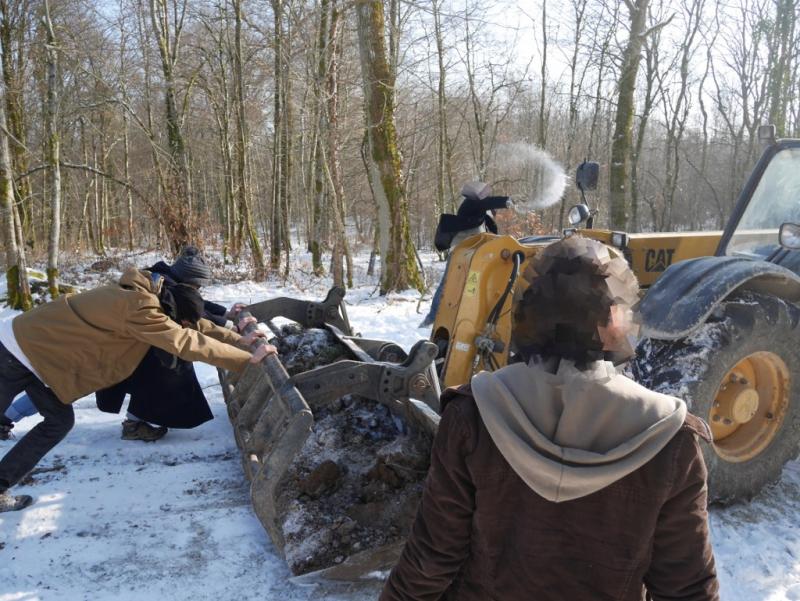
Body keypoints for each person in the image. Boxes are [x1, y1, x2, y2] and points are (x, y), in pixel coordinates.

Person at [381, 235, 720, 600]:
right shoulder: (670, 436)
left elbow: (430, 560)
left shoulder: (473, 415)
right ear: (614, 321)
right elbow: (686, 589)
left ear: (529, 314)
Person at [0, 266, 274, 512]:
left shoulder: (155, 297)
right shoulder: (139, 309)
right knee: (56, 422)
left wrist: (242, 340)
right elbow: (184, 339)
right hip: (15, 350)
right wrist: (247, 360)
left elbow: (196, 326)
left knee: (58, 422)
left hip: (42, 359)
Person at [95, 247, 247, 441]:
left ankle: (139, 420)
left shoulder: (162, 279)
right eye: (197, 287)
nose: (198, 291)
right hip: (122, 349)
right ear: (188, 281)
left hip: (124, 346)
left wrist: (225, 316)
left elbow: (198, 306)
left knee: (165, 364)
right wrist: (230, 329)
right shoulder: (164, 289)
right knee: (167, 366)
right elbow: (194, 314)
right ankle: (134, 424)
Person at [420, 182, 510, 328]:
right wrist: (506, 201)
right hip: (462, 251)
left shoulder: (481, 214)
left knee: (474, 283)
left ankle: (468, 313)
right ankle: (432, 316)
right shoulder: (471, 204)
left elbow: (491, 231)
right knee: (447, 282)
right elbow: (488, 203)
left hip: (474, 252)